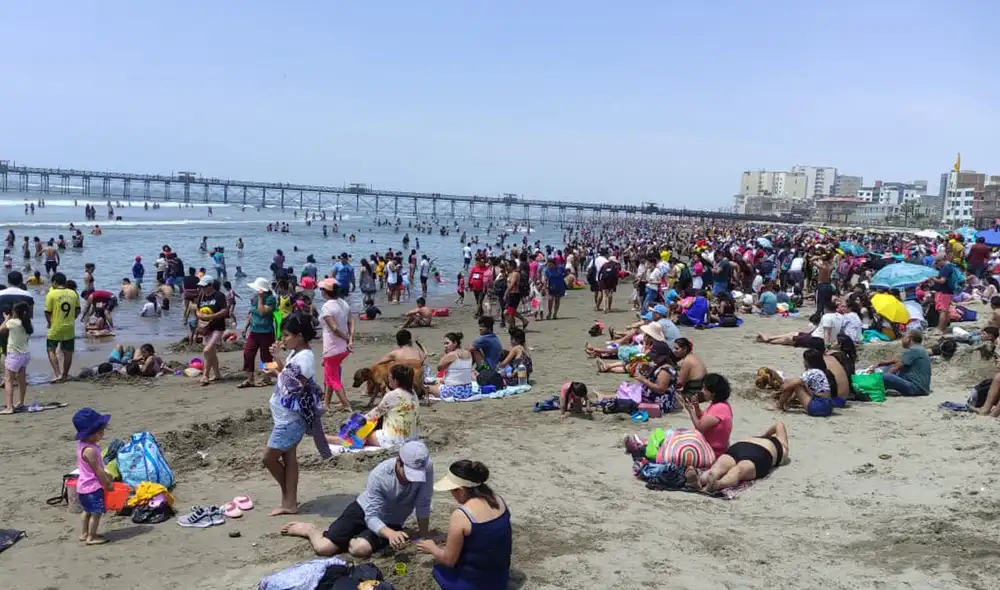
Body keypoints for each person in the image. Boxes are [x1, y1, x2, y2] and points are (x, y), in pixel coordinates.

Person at [281, 440, 432, 557]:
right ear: (399, 461)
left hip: (391, 520)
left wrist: (424, 535)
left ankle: (354, 537)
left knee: (360, 549)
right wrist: (390, 534)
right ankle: (311, 530)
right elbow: (371, 515)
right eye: (409, 473)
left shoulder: (427, 467)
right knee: (324, 548)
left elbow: (423, 502)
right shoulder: (380, 475)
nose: (413, 480)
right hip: (364, 509)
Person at [417, 460, 512, 590]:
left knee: (437, 568)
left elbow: (449, 561)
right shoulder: (498, 500)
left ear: (461, 491)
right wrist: (448, 537)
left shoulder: (462, 515)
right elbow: (486, 535)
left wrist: (431, 547)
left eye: (452, 491)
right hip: (500, 580)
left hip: (475, 585)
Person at [262, 312, 321, 516]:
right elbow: (288, 374)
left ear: (300, 336)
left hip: (290, 420)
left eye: (287, 335)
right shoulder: (296, 353)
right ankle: (289, 502)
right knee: (289, 459)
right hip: (285, 416)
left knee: (269, 459)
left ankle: (288, 496)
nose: (284, 338)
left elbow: (296, 386)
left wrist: (276, 373)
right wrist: (276, 359)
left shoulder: (305, 357)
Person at [686, 422, 790, 493]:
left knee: (718, 467)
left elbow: (779, 424)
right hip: (761, 452)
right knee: (739, 471)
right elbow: (780, 425)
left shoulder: (758, 438)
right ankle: (718, 484)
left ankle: (700, 479)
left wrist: (764, 435)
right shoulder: (783, 447)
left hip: (741, 446)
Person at [72, 408, 114, 545]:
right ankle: (92, 536)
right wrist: (107, 482)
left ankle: (84, 533)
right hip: (92, 487)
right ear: (91, 433)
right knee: (96, 513)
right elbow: (97, 470)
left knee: (86, 511)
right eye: (100, 431)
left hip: (83, 486)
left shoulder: (82, 445)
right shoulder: (90, 450)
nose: (102, 433)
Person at [318, 278, 354, 412]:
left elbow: (334, 328)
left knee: (332, 377)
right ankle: (326, 403)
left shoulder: (327, 307)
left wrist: (346, 338)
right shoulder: (343, 303)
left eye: (322, 290)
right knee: (331, 375)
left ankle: (346, 404)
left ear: (326, 292)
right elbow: (351, 321)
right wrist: (350, 339)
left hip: (332, 348)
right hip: (342, 348)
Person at [680, 373, 732, 457]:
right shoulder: (719, 405)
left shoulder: (720, 408)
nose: (702, 391)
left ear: (713, 393)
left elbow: (700, 428)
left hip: (713, 451)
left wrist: (690, 411)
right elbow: (702, 417)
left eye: (705, 389)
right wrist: (696, 406)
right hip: (709, 447)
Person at [756, 299, 843, 347]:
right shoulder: (840, 316)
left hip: (817, 340)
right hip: (815, 336)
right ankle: (769, 337)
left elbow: (827, 333)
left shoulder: (827, 317)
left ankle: (767, 341)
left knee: (789, 339)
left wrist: (827, 347)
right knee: (794, 333)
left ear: (825, 309)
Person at [240, 278, 277, 389]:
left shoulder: (271, 299)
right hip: (254, 331)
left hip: (267, 332)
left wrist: (261, 299)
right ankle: (249, 378)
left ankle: (268, 377)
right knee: (248, 353)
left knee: (266, 356)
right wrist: (246, 327)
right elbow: (252, 313)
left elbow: (261, 312)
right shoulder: (255, 298)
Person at [776, 349, 837, 417]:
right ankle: (788, 403)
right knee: (800, 384)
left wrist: (781, 389)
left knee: (796, 384)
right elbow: (803, 388)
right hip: (828, 407)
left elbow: (791, 385)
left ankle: (779, 406)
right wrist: (790, 400)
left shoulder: (811, 372)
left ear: (807, 361)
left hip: (818, 406)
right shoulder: (821, 372)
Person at [870, 329, 931, 396]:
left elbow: (894, 369)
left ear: (909, 338)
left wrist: (883, 377)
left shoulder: (913, 350)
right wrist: (880, 363)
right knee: (888, 369)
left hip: (914, 388)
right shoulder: (920, 349)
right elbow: (897, 360)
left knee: (881, 376)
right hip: (922, 388)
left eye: (904, 337)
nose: (901, 339)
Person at [44, 272, 80, 383]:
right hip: (69, 327)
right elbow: (78, 310)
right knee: (68, 352)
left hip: (55, 327)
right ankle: (65, 374)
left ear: (54, 282)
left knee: (51, 350)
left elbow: (47, 311)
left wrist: (50, 323)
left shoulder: (52, 294)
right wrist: (71, 319)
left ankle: (57, 373)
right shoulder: (73, 293)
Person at [196, 276, 229, 386]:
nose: (202, 289)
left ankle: (205, 375)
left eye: (204, 286)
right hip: (206, 328)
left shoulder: (219, 296)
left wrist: (212, 316)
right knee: (212, 353)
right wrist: (200, 316)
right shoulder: (201, 296)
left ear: (210, 285)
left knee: (207, 350)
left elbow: (225, 311)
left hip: (217, 328)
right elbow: (197, 309)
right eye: (201, 287)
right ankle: (217, 374)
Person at [0, 302, 33, 414]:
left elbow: (1, 329)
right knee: (22, 380)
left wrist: (6, 318)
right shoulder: (27, 323)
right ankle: (21, 402)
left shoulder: (13, 322)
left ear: (15, 312)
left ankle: (9, 407)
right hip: (25, 354)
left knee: (8, 379)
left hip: (14, 354)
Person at [428, 332, 474, 400]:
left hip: (454, 391)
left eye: (447, 343)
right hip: (467, 390)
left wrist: (445, 355)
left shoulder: (452, 355)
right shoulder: (468, 353)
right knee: (438, 385)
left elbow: (439, 368)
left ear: (455, 343)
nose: (445, 346)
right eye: (444, 344)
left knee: (426, 387)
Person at [932, 256, 956, 334]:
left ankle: (940, 328)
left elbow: (942, 281)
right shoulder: (950, 266)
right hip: (948, 292)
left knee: (942, 310)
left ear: (941, 260)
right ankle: (944, 327)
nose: (937, 264)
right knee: (945, 310)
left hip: (944, 292)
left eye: (937, 262)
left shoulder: (945, 267)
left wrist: (933, 278)